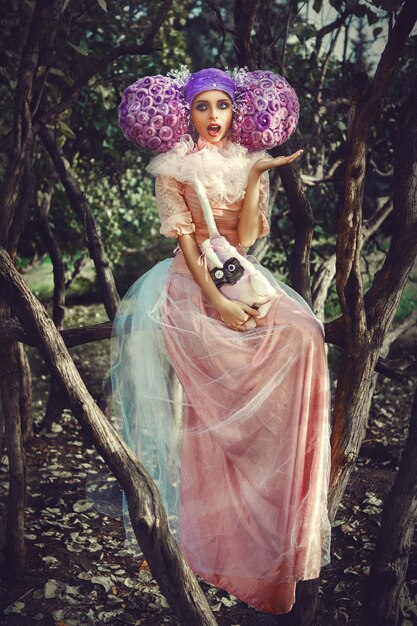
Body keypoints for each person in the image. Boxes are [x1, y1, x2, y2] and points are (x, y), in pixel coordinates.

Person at [112, 67, 331, 615]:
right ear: (185, 112)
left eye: (223, 106)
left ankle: (278, 506)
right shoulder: (173, 168)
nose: (214, 117)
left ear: (238, 111)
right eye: (202, 106)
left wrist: (256, 175)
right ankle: (220, 539)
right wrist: (218, 302)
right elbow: (189, 246)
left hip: (238, 270)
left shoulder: (243, 157)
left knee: (305, 333)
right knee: (223, 403)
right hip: (194, 286)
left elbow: (251, 237)